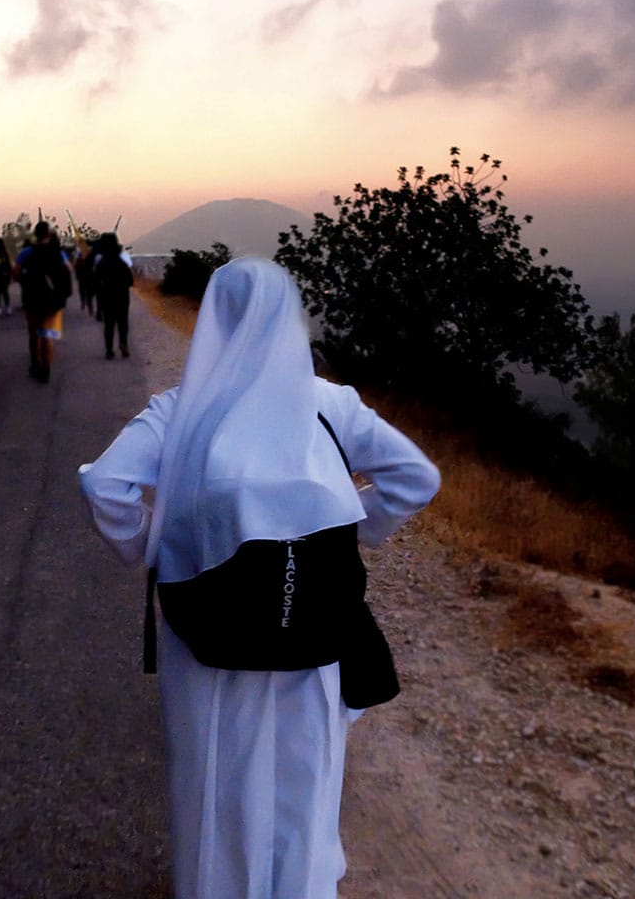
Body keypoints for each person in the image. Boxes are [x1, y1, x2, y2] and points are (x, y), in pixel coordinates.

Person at [76, 258, 440, 898]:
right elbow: (417, 478)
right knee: (304, 791)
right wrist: (356, 529)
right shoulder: (330, 405)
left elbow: (106, 484)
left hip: (208, 640)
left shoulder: (179, 412)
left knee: (214, 789)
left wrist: (150, 543)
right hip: (313, 633)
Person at [16, 220, 71, 383]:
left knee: (33, 332)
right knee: (47, 334)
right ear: (49, 234)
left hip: (32, 297)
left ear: (35, 235)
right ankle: (46, 369)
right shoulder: (57, 252)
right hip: (52, 299)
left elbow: (16, 272)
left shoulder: (27, 252)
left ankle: (35, 363)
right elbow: (68, 269)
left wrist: (26, 281)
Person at [92, 231, 134, 360]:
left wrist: (98, 307)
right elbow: (130, 279)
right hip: (122, 295)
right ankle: (123, 344)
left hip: (106, 296)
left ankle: (109, 350)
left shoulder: (100, 260)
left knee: (109, 324)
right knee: (123, 322)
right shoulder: (123, 256)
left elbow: (96, 282)